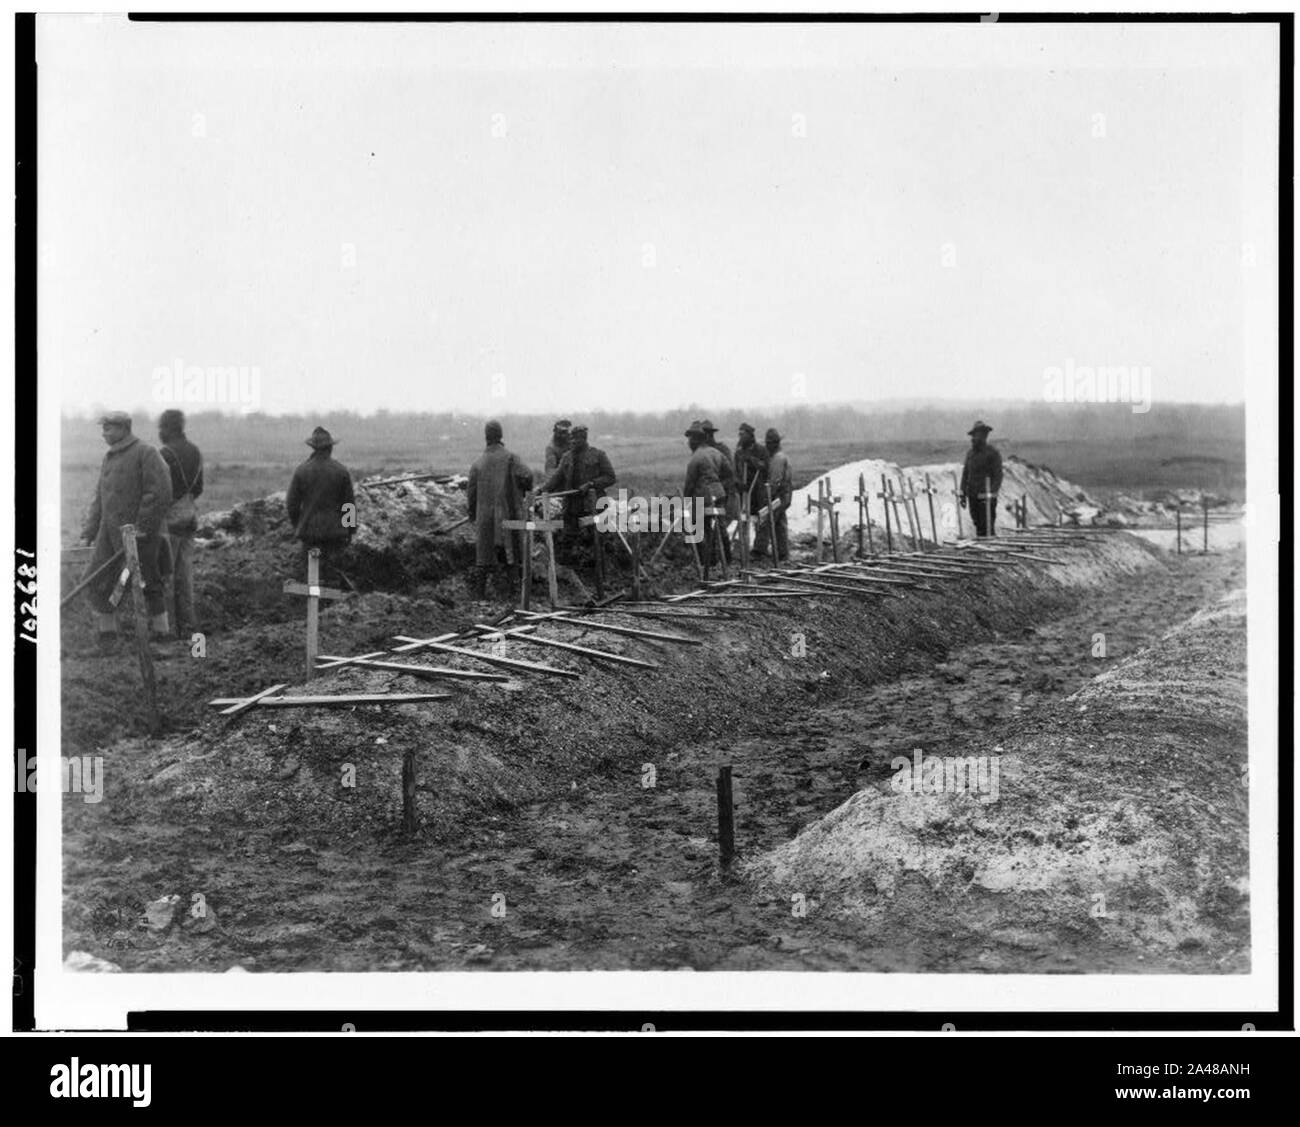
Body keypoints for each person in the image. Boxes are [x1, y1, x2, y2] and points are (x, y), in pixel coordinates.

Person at [79, 411, 174, 654]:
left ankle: (161, 639)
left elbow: (160, 492)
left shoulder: (146, 452)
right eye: (103, 429)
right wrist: (90, 530)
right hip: (108, 534)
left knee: (148, 581)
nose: (104, 434)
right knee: (100, 581)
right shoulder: (109, 458)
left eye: (108, 429)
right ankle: (107, 639)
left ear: (124, 428)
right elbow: (100, 498)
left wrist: (142, 526)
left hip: (141, 535)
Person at [466, 419, 534, 600]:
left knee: (484, 556)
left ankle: (479, 595)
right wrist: (523, 490)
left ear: (486, 437)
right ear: (501, 436)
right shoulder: (511, 458)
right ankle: (513, 593)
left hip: (485, 518)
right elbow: (528, 476)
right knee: (510, 554)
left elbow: (471, 494)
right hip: (507, 514)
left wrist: (473, 513)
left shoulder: (478, 463)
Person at [286, 426, 356, 583]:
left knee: (309, 579)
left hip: (310, 535)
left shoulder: (301, 471)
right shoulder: (341, 471)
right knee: (334, 579)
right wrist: (350, 531)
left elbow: (291, 505)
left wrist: (299, 525)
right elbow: (349, 506)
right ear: (330, 447)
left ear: (313, 448)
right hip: (336, 536)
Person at [540, 424, 616, 564]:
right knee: (568, 542)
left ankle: (601, 575)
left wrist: (591, 484)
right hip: (571, 508)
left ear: (584, 439)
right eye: (571, 440)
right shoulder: (566, 458)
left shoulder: (598, 455)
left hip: (593, 507)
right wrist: (541, 491)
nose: (573, 442)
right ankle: (570, 576)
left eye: (576, 440)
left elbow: (610, 477)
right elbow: (555, 479)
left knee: (596, 543)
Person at [157, 409, 203, 639]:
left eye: (160, 427)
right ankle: (189, 630)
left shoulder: (164, 453)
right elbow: (198, 488)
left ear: (167, 428)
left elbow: (159, 491)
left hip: (169, 522)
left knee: (164, 575)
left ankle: (167, 630)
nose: (159, 432)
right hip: (189, 518)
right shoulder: (195, 451)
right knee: (185, 578)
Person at [683, 421, 728, 570]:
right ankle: (725, 557)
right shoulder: (716, 453)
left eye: (690, 439)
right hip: (719, 494)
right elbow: (728, 472)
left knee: (698, 528)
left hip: (703, 498)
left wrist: (685, 503)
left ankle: (704, 560)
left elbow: (689, 484)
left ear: (695, 440)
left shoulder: (696, 458)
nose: (689, 442)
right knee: (719, 528)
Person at [752, 427, 792, 562]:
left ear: (774, 444)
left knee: (766, 521)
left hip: (778, 496)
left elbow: (774, 482)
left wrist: (766, 498)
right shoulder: (778, 457)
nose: (767, 446)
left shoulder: (778, 459)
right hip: (784, 496)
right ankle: (783, 553)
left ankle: (759, 550)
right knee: (779, 523)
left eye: (768, 444)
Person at [959, 420, 1003, 537]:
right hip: (972, 495)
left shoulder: (992, 453)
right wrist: (962, 493)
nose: (976, 438)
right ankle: (982, 551)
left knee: (987, 526)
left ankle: (991, 550)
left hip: (986, 497)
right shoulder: (970, 454)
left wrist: (991, 493)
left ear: (985, 436)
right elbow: (965, 474)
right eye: (975, 435)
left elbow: (998, 475)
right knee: (977, 524)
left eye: (980, 434)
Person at [700, 419, 736, 561]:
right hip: (705, 494)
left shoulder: (721, 450)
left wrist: (720, 488)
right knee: (705, 525)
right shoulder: (701, 452)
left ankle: (726, 557)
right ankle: (711, 558)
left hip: (721, 494)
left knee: (719, 525)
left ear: (708, 435)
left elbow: (729, 473)